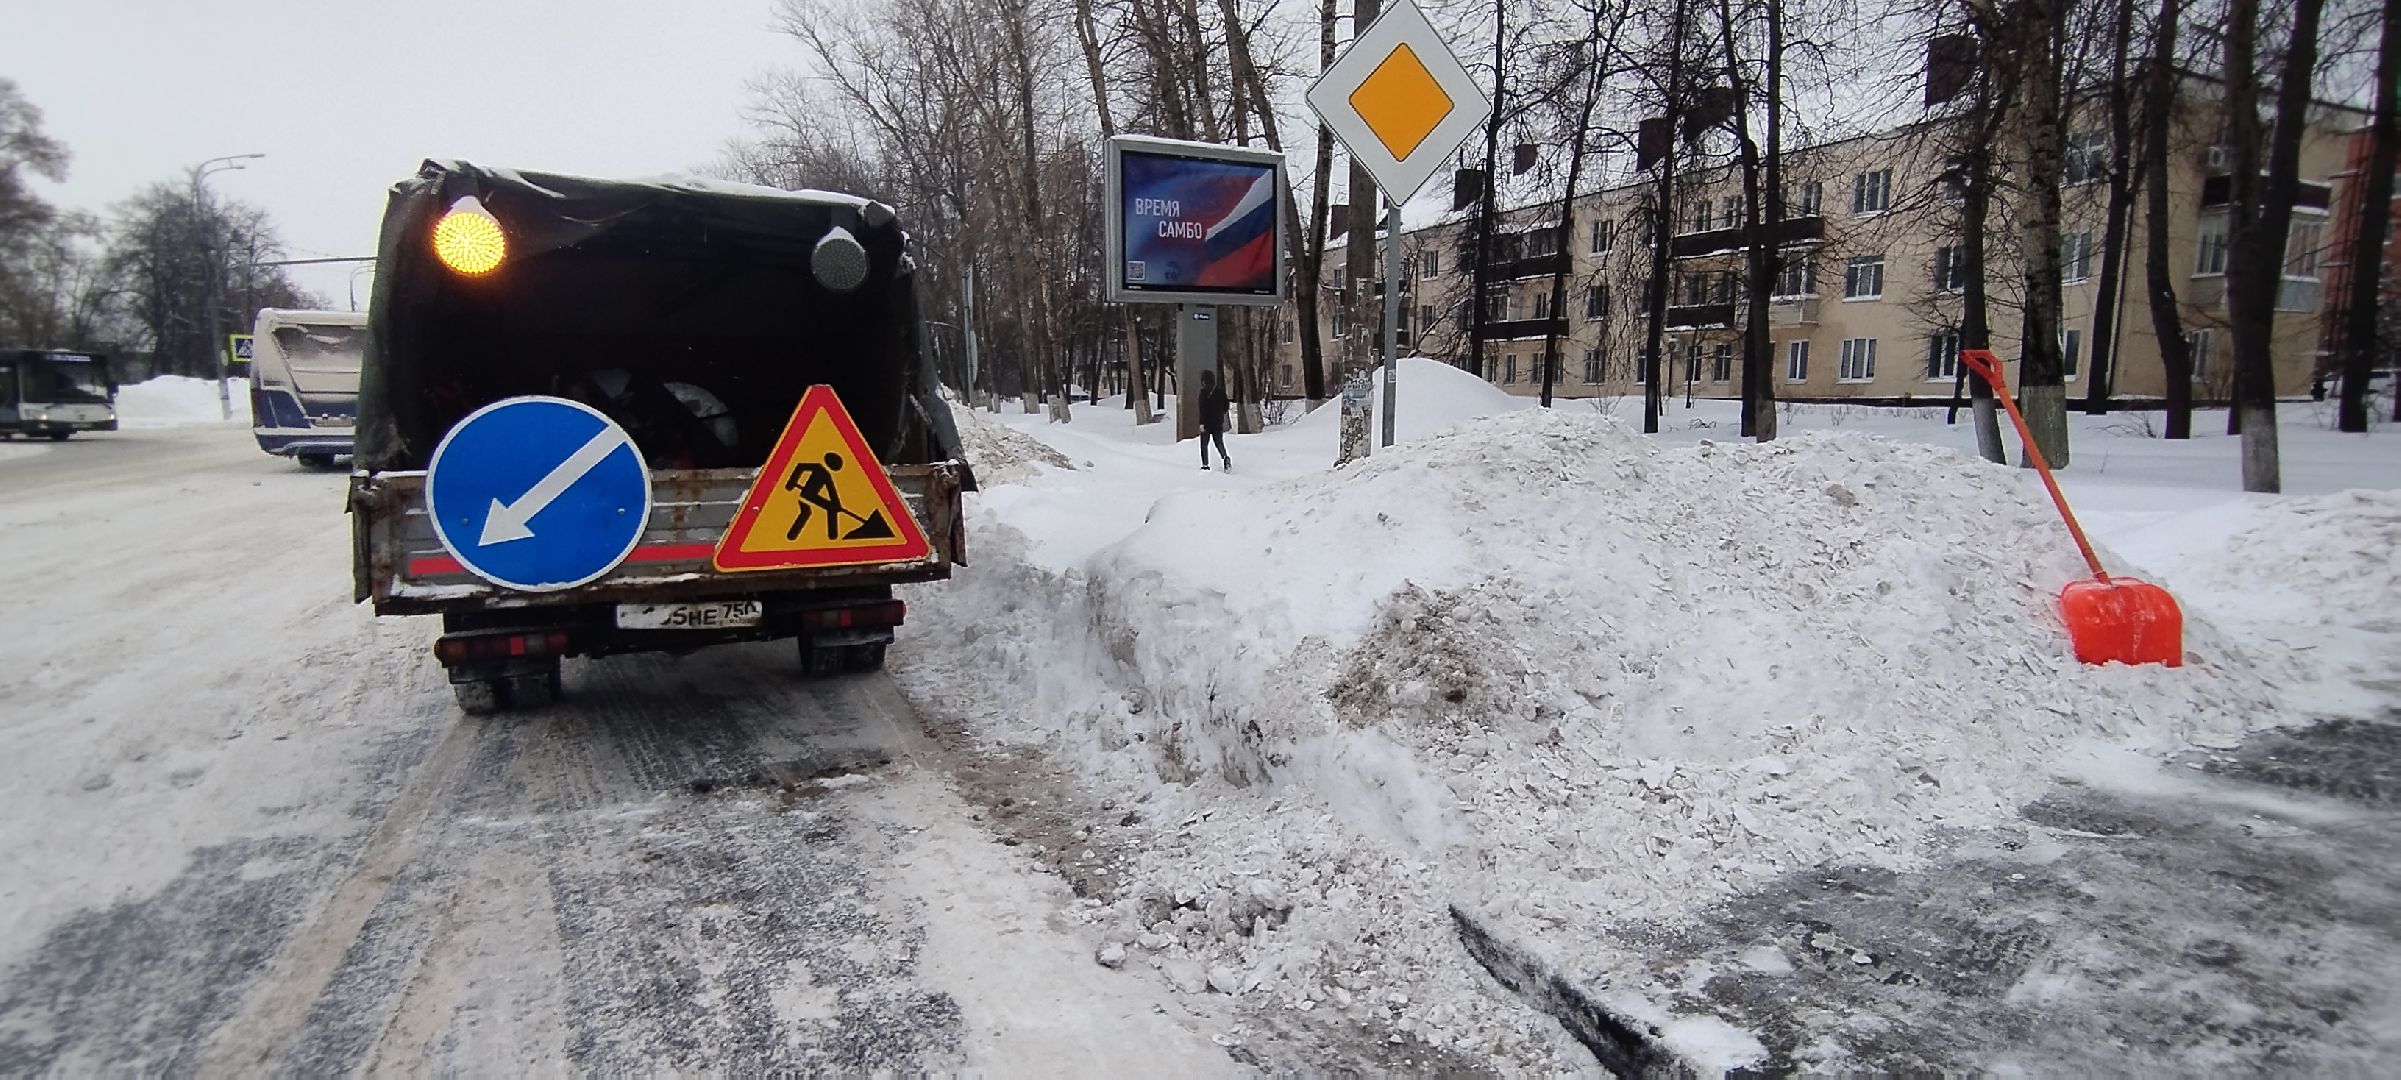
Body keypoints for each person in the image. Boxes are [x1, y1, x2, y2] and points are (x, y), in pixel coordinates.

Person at [1199, 370, 1231, 471]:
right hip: (1218, 422)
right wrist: (1219, 414)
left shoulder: (1203, 393)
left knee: (1204, 444)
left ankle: (1205, 464)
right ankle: (1225, 457)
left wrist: (1202, 422)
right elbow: (1226, 406)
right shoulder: (1220, 392)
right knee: (1219, 443)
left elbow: (1202, 409)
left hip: (1206, 423)